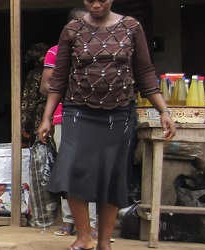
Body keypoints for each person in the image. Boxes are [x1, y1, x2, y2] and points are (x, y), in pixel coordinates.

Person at [37, 1, 176, 249]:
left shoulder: (131, 27)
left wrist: (163, 110)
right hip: (77, 111)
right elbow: (59, 78)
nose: (96, 4)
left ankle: (104, 242)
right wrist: (47, 117)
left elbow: (144, 73)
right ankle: (83, 237)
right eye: (90, 0)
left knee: (110, 175)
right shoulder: (72, 29)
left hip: (119, 113)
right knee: (73, 168)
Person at [39, 7, 101, 239]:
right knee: (69, 168)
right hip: (64, 117)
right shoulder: (55, 52)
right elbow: (46, 86)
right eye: (80, 23)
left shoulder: (100, 51)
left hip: (95, 117)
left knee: (91, 169)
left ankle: (91, 223)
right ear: (69, 26)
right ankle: (68, 220)